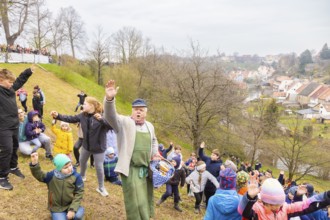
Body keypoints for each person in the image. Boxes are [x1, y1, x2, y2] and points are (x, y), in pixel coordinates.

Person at [103, 80, 160, 220]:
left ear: (146, 112)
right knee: (134, 201)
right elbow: (110, 116)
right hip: (130, 169)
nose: (138, 111)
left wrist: (155, 154)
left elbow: (154, 141)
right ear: (132, 110)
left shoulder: (149, 126)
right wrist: (110, 99)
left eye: (141, 109)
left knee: (145, 198)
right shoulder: (124, 122)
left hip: (146, 168)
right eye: (136, 109)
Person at [51, 97, 112, 197]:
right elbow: (70, 118)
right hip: (86, 146)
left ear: (91, 106)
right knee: (82, 161)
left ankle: (101, 187)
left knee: (99, 167)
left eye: (85, 104)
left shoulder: (101, 116)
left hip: (99, 148)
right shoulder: (82, 115)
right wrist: (58, 116)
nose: (82, 105)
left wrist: (101, 120)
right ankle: (82, 176)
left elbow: (110, 127)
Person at [238, 175, 330, 219]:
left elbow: (306, 205)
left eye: (280, 203)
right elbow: (242, 211)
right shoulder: (256, 210)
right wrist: (249, 197)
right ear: (264, 201)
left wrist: (327, 196)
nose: (278, 207)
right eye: (274, 205)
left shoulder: (285, 209)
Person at [0, 67, 33, 190]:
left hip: (14, 124)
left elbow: (20, 81)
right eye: (9, 82)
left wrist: (27, 72)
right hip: (3, 127)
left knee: (14, 147)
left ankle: (13, 167)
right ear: (1, 80)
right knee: (6, 150)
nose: (12, 84)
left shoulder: (11, 88)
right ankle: (2, 177)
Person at [30, 153, 84, 219]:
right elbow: (39, 175)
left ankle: (73, 212)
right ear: (59, 169)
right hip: (56, 208)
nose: (69, 169)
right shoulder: (51, 176)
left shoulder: (76, 176)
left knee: (78, 216)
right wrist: (35, 164)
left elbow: (79, 193)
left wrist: (72, 209)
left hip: (71, 204)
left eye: (70, 165)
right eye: (65, 167)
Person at [198, 141, 222, 207]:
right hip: (204, 181)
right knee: (203, 194)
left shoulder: (220, 165)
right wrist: (201, 148)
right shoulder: (208, 159)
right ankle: (202, 204)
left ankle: (209, 207)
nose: (211, 156)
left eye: (213, 155)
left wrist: (214, 180)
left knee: (210, 197)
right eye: (211, 154)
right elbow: (201, 155)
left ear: (217, 157)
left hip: (212, 185)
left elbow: (220, 175)